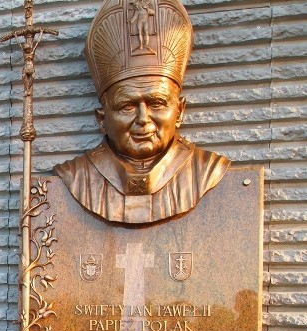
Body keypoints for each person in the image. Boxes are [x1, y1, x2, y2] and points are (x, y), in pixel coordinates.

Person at [54, 0, 231, 224]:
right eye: (127, 106)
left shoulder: (207, 170)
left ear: (180, 111)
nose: (143, 119)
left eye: (157, 103)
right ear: (102, 120)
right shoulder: (76, 176)